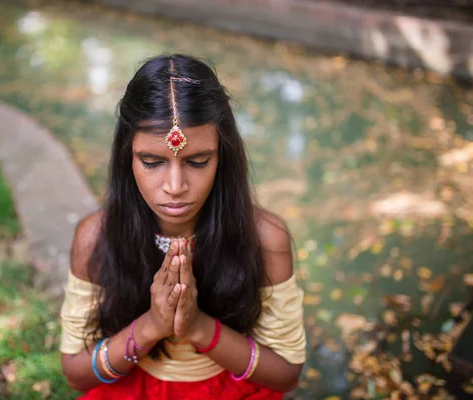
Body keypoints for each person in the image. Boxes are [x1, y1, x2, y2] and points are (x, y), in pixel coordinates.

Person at [60, 54, 306, 399]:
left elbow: (286, 375)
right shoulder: (96, 237)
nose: (175, 186)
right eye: (151, 162)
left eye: (197, 161)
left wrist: (198, 328)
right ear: (126, 157)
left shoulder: (265, 238)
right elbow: (76, 374)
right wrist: (151, 327)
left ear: (223, 157)